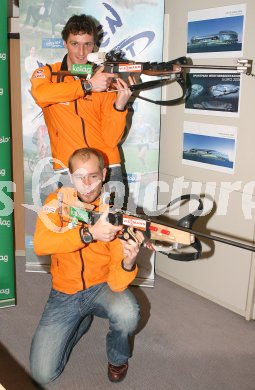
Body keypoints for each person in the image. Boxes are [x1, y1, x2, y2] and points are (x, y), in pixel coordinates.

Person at [30, 147, 143, 385]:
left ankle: (117, 357)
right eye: (80, 177)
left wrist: (128, 262)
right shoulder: (56, 202)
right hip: (64, 292)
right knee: (43, 374)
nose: (87, 184)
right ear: (70, 177)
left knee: (128, 313)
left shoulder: (115, 211)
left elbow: (116, 282)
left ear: (103, 175)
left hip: (101, 287)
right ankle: (81, 321)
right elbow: (41, 244)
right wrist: (89, 233)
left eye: (93, 176)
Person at [30, 14, 134, 186]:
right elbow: (41, 95)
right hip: (68, 168)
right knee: (69, 214)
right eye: (75, 44)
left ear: (94, 45)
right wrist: (87, 86)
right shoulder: (49, 72)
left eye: (87, 44)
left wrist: (119, 106)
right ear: (65, 43)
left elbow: (110, 139)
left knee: (114, 214)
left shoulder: (103, 78)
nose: (81, 52)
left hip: (106, 167)